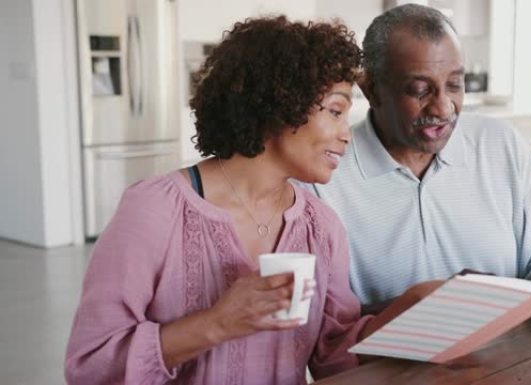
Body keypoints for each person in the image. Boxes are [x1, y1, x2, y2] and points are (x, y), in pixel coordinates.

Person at [65, 16, 425, 385]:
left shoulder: (321, 226)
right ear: (279, 104)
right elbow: (91, 366)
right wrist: (217, 324)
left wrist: (410, 310)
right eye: (335, 111)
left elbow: (334, 354)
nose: (345, 135)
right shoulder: (155, 210)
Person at [310, 4, 531, 314]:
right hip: (385, 367)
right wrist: (438, 303)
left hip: (512, 361)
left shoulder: (501, 145)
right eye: (420, 90)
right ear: (371, 90)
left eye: (454, 85)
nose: (443, 108)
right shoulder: (324, 176)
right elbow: (325, 324)